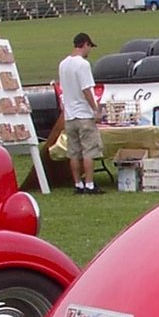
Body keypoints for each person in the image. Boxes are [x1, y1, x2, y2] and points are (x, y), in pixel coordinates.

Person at [57, 32, 104, 195]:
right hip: (83, 114)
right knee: (89, 151)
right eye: (89, 47)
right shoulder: (83, 65)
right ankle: (90, 184)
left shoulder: (63, 64)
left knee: (74, 152)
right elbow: (86, 89)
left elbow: (63, 89)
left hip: (70, 115)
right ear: (85, 45)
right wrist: (95, 109)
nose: (89, 50)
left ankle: (78, 183)